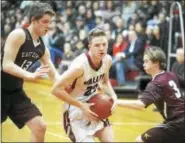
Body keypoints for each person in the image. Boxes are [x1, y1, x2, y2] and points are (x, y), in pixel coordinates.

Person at [1, 2, 59, 142]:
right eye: (45, 22)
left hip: (15, 92)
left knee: (40, 126)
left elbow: (53, 73)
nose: (48, 26)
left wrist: (69, 87)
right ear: (33, 20)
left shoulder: (42, 49)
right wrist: (30, 75)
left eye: (50, 22)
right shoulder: (18, 35)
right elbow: (6, 65)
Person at [51, 28, 117, 142]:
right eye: (97, 45)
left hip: (94, 105)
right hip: (75, 111)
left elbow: (105, 82)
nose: (101, 48)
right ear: (89, 46)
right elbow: (56, 89)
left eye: (104, 44)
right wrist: (81, 105)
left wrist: (113, 96)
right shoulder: (80, 66)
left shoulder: (107, 60)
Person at [117, 46, 185, 143]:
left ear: (156, 63)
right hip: (178, 122)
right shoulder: (171, 74)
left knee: (140, 140)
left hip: (175, 125)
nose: (143, 64)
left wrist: (117, 102)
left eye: (146, 61)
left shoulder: (156, 83)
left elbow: (140, 105)